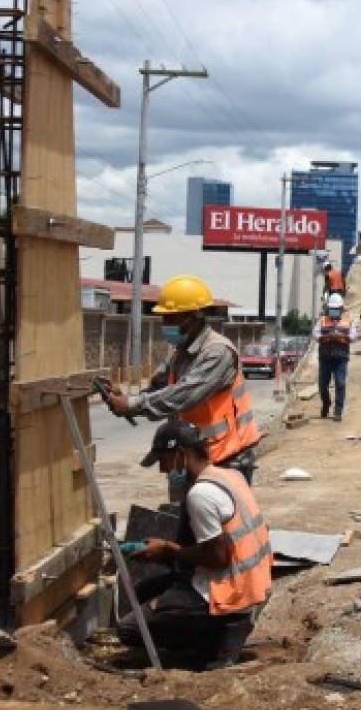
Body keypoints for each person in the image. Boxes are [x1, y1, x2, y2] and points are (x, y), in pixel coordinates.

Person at [120, 420, 272, 670]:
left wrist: (168, 550)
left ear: (181, 454)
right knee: (141, 593)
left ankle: (216, 641)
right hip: (250, 582)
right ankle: (219, 629)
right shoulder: (229, 475)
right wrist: (168, 553)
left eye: (164, 461)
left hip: (229, 591)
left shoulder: (201, 495)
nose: (162, 470)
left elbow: (218, 557)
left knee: (129, 629)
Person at [104, 274, 261, 489]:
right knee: (186, 519)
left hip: (227, 457)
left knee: (220, 518)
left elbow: (183, 395)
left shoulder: (217, 352)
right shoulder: (180, 352)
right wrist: (125, 398)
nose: (165, 324)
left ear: (193, 317)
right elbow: (159, 387)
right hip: (195, 455)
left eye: (171, 318)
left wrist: (132, 405)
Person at [313, 293, 357, 421]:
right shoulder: (322, 320)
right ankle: (326, 403)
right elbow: (315, 334)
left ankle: (338, 410)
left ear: (341, 309)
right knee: (322, 384)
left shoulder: (347, 320)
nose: (333, 311)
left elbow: (353, 335)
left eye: (336, 309)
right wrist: (325, 337)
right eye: (332, 309)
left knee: (340, 383)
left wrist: (342, 337)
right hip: (325, 357)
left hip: (341, 358)